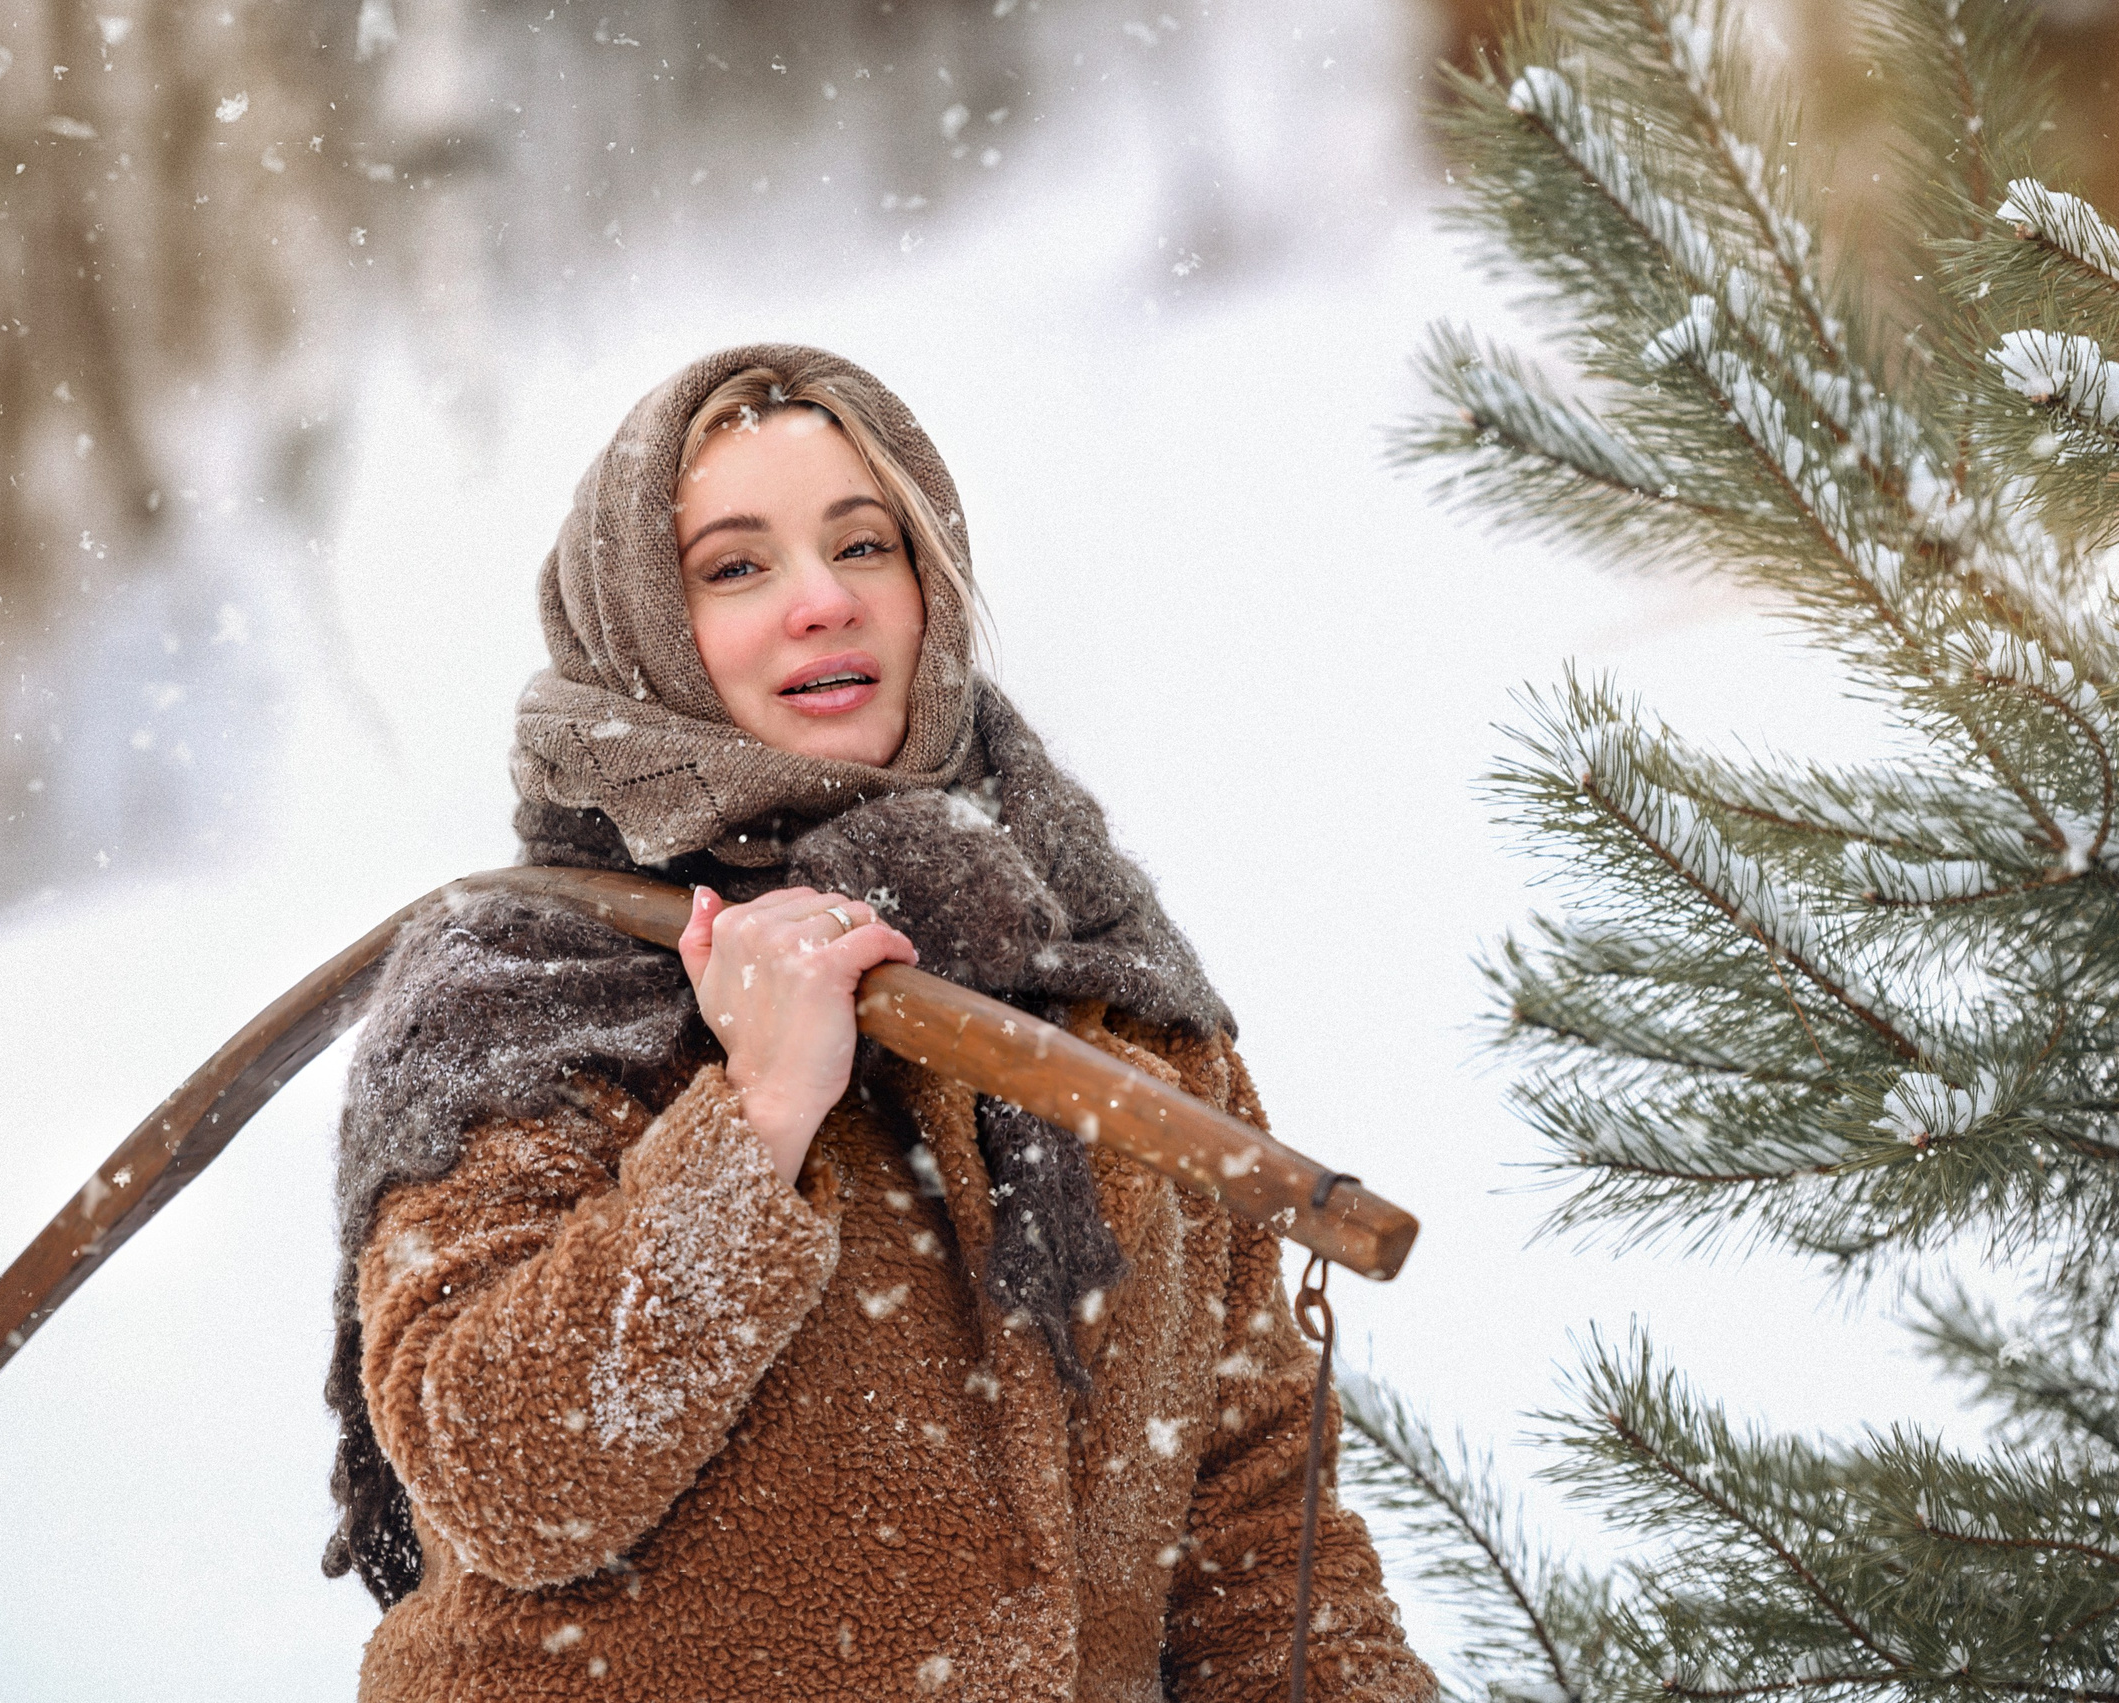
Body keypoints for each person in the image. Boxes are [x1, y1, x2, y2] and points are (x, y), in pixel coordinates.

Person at [319, 344, 1435, 1701]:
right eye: (737, 566)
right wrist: (756, 1121)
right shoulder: (524, 987)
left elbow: (1256, 1529)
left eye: (869, 545)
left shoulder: (1095, 973)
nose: (822, 601)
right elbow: (508, 1474)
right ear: (637, 623)